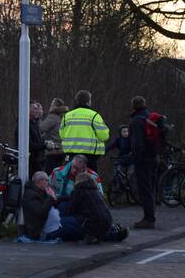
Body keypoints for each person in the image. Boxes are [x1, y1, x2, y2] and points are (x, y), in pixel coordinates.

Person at [67, 171, 129, 243]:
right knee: (102, 229)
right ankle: (114, 235)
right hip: (108, 221)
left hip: (92, 222)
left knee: (75, 220)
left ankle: (92, 236)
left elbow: (71, 210)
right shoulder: (96, 190)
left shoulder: (77, 191)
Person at [60, 90, 109, 171]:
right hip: (90, 155)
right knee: (89, 179)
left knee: (72, 178)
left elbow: (62, 135)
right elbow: (104, 136)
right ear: (88, 101)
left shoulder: (67, 116)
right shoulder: (94, 115)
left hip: (71, 154)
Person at [128, 96, 158, 229]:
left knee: (144, 188)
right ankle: (151, 215)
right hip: (153, 157)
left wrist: (135, 157)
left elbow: (137, 143)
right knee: (151, 187)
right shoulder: (150, 119)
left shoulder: (136, 121)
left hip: (142, 159)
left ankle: (148, 218)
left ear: (133, 107)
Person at [18, 171, 57, 243]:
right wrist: (50, 197)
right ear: (40, 181)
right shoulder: (31, 194)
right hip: (38, 230)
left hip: (45, 225)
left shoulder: (40, 191)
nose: (48, 183)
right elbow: (41, 211)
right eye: (47, 180)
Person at [15, 102, 45, 176]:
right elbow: (28, 145)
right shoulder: (23, 124)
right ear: (27, 110)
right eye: (35, 109)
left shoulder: (34, 123)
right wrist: (44, 145)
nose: (37, 111)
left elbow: (37, 140)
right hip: (30, 162)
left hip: (37, 160)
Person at [40, 97, 68, 172]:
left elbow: (41, 128)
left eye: (52, 105)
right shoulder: (63, 117)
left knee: (50, 174)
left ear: (55, 106)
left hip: (53, 151)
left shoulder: (52, 117)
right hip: (62, 150)